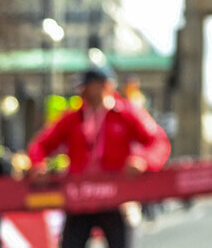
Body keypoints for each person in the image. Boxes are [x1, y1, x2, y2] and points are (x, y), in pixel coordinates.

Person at [27, 66, 171, 248]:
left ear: (104, 86)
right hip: (80, 196)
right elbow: (39, 144)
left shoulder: (126, 113)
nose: (82, 91)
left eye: (87, 86)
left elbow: (159, 141)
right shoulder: (73, 118)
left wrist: (144, 161)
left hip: (117, 196)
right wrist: (38, 165)